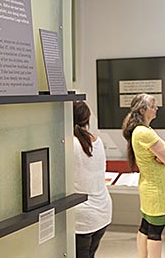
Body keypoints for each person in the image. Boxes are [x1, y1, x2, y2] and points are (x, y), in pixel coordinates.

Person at [122, 93, 165, 258]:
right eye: (152, 105)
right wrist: (164, 154)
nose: (156, 108)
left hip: (148, 186)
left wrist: (164, 152)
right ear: (143, 110)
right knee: (155, 231)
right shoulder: (145, 133)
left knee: (146, 227)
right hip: (155, 188)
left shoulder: (142, 130)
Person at [73, 101, 112, 258]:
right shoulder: (98, 141)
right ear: (87, 119)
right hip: (103, 210)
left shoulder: (70, 143)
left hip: (82, 216)